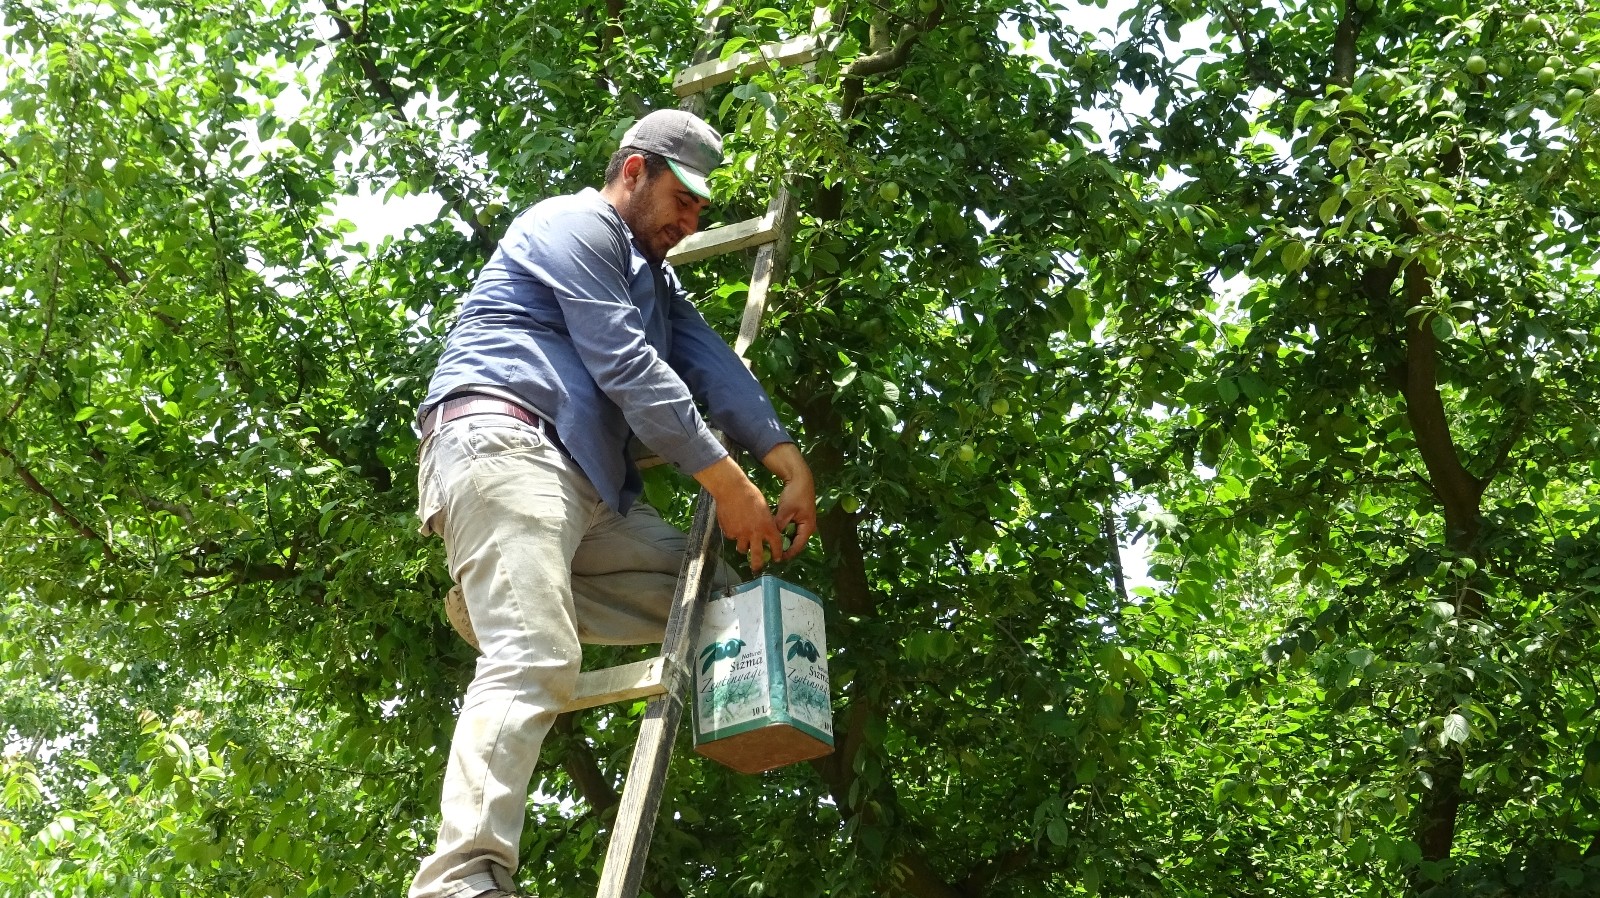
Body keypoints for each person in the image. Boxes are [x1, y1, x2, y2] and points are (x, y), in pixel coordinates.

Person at [408, 108, 817, 898]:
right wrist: (729, 484)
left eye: (703, 207)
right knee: (534, 657)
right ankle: (461, 879)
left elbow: (712, 368)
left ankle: (504, 597)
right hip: (506, 443)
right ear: (634, 170)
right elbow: (627, 365)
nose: (692, 219)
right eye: (682, 198)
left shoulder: (657, 285)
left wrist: (788, 464)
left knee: (718, 606)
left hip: (586, 488)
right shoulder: (571, 225)